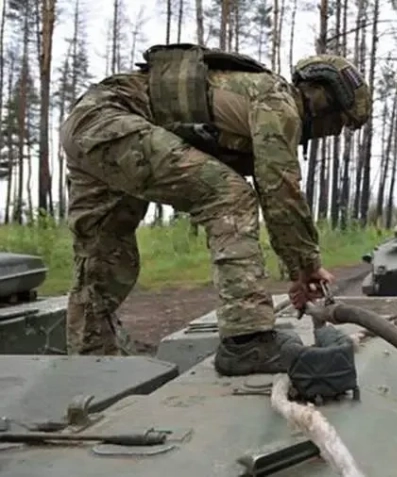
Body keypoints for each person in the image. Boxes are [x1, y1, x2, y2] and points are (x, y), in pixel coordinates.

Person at [59, 43, 371, 377]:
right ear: (324, 99)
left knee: (103, 254)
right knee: (231, 196)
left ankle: (91, 367)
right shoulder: (279, 102)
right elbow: (280, 191)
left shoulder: (255, 97)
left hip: (88, 125)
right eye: (341, 122)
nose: (334, 132)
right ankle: (247, 340)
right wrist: (306, 266)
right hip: (113, 120)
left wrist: (299, 268)